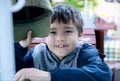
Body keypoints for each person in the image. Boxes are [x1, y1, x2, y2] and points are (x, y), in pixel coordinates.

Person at [14, 4, 112, 81]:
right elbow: (15, 72)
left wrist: (49, 76)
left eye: (68, 31)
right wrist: (20, 46)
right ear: (44, 35)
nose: (60, 38)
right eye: (52, 32)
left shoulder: (84, 52)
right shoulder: (37, 53)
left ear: (80, 35)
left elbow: (103, 74)